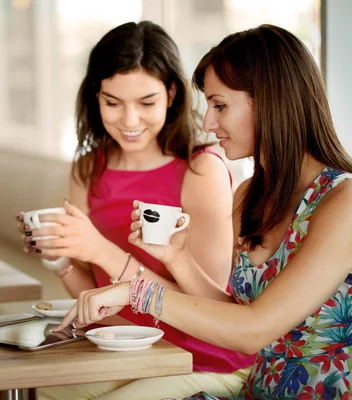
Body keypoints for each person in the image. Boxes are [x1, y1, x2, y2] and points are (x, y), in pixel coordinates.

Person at [55, 24, 352, 399]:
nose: (208, 123)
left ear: (272, 100)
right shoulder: (249, 194)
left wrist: (137, 292)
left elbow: (252, 332)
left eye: (220, 106)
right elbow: (233, 311)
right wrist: (178, 259)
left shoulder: (343, 202)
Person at [17, 21, 253, 399]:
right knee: (28, 390)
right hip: (121, 350)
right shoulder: (87, 170)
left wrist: (99, 250)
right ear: (96, 96)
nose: (129, 121)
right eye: (113, 103)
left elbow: (208, 308)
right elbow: (94, 301)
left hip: (201, 358)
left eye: (146, 103)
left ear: (172, 93)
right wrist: (61, 261)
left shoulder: (201, 169)